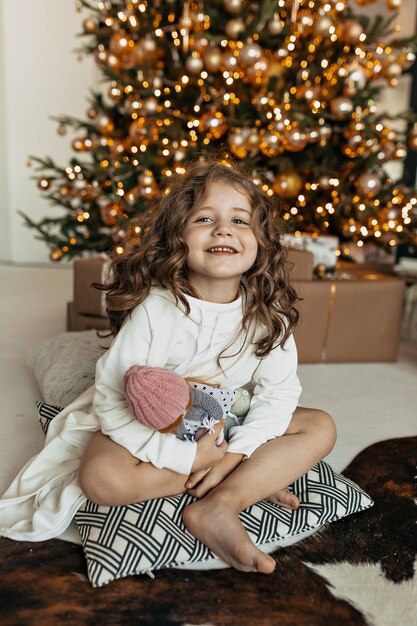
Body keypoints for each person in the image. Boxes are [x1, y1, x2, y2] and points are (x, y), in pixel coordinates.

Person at [0, 159, 336, 575]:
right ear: (177, 236)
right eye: (205, 218)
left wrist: (234, 454)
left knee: (319, 427)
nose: (223, 229)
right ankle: (241, 480)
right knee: (101, 478)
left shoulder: (270, 315)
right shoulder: (157, 309)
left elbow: (279, 395)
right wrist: (189, 460)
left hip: (228, 419)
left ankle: (221, 504)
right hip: (154, 420)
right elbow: (111, 399)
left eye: (239, 221)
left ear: (261, 243)